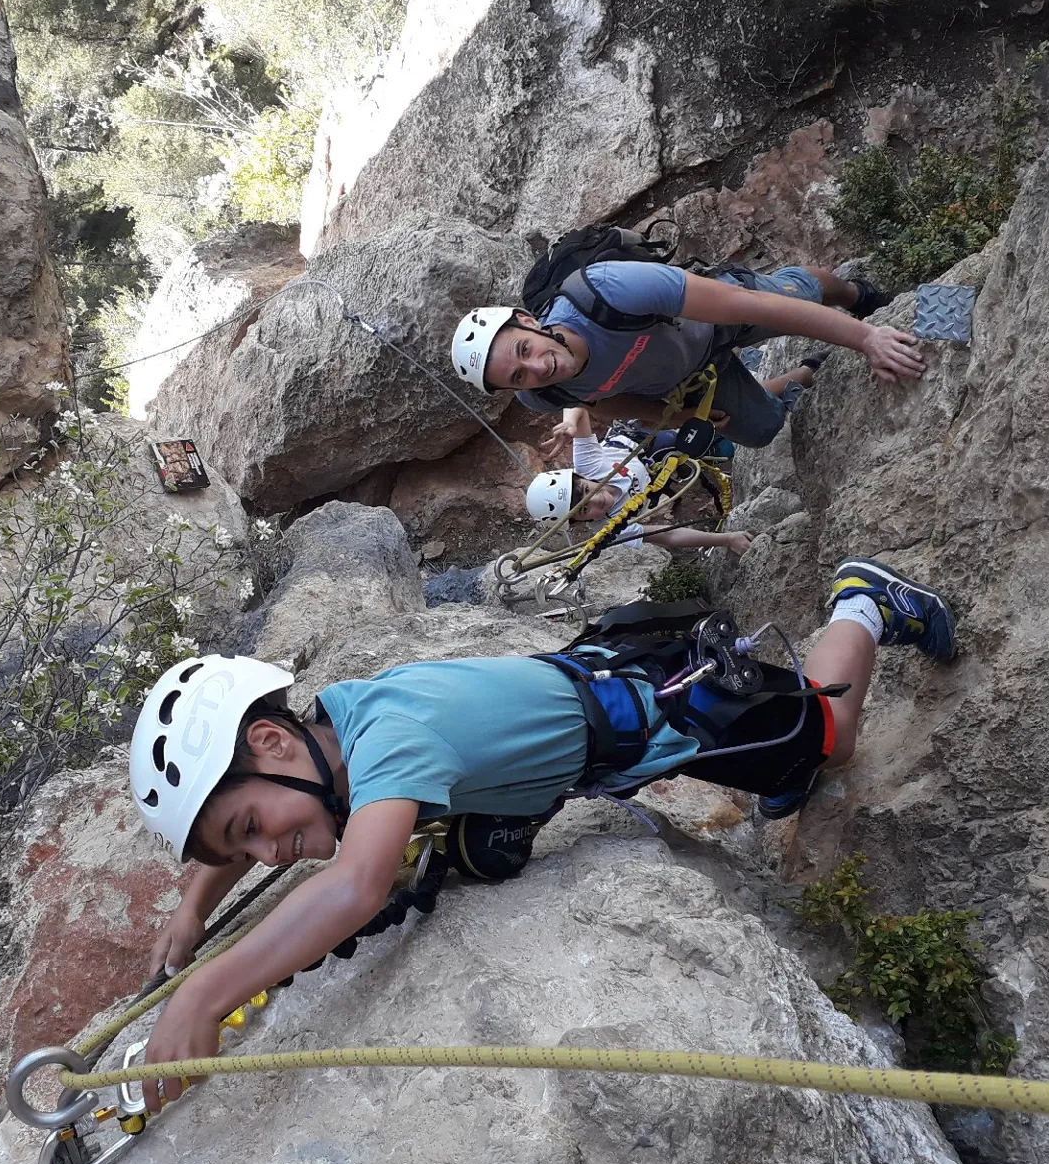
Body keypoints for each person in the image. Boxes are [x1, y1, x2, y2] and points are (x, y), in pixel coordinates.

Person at [125, 558, 957, 1112]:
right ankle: (780, 762)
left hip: (662, 710)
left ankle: (864, 601)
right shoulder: (338, 727)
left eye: (251, 832)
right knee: (472, 852)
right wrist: (200, 896)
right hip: (589, 707)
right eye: (244, 854)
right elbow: (258, 818)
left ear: (272, 741)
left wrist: (204, 995)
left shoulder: (393, 746)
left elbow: (355, 886)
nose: (267, 856)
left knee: (828, 737)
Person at [450, 254, 921, 448]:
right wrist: (675, 418)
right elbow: (603, 398)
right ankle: (806, 370)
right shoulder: (542, 394)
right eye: (518, 376)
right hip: (688, 379)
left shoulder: (608, 291)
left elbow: (751, 305)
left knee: (797, 296)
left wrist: (868, 338)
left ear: (528, 321)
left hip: (719, 317)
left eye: (525, 349)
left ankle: (851, 291)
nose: (537, 367)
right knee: (761, 431)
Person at [526, 405, 752, 557]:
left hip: (641, 438)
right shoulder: (611, 528)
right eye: (585, 509)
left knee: (713, 417)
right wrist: (726, 539)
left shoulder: (588, 465)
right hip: (656, 468)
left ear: (581, 476)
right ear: (578, 522)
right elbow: (669, 535)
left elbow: (577, 407)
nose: (598, 499)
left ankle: (770, 389)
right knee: (725, 447)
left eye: (587, 489)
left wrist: (569, 423)